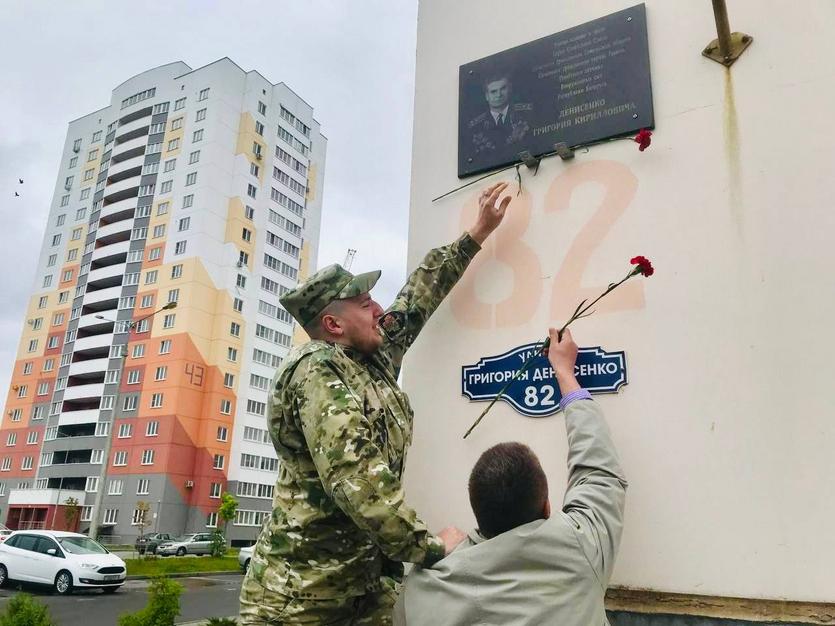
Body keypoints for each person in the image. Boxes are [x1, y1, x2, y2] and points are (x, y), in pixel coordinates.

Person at [239, 182, 514, 625]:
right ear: (332, 324)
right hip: (300, 601)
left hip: (363, 590)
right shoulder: (315, 369)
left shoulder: (374, 357)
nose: (378, 309)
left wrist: (478, 233)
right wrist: (427, 547)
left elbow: (418, 296)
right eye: (365, 304)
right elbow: (356, 476)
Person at [397, 328, 628, 626]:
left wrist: (434, 554)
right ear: (546, 507)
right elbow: (599, 471)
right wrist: (565, 375)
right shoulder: (582, 547)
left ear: (477, 513)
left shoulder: (427, 584)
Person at [466, 73, 532, 163]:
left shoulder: (527, 114)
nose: (499, 95)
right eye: (493, 91)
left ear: (509, 90)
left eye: (503, 89)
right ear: (486, 96)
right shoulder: (476, 126)